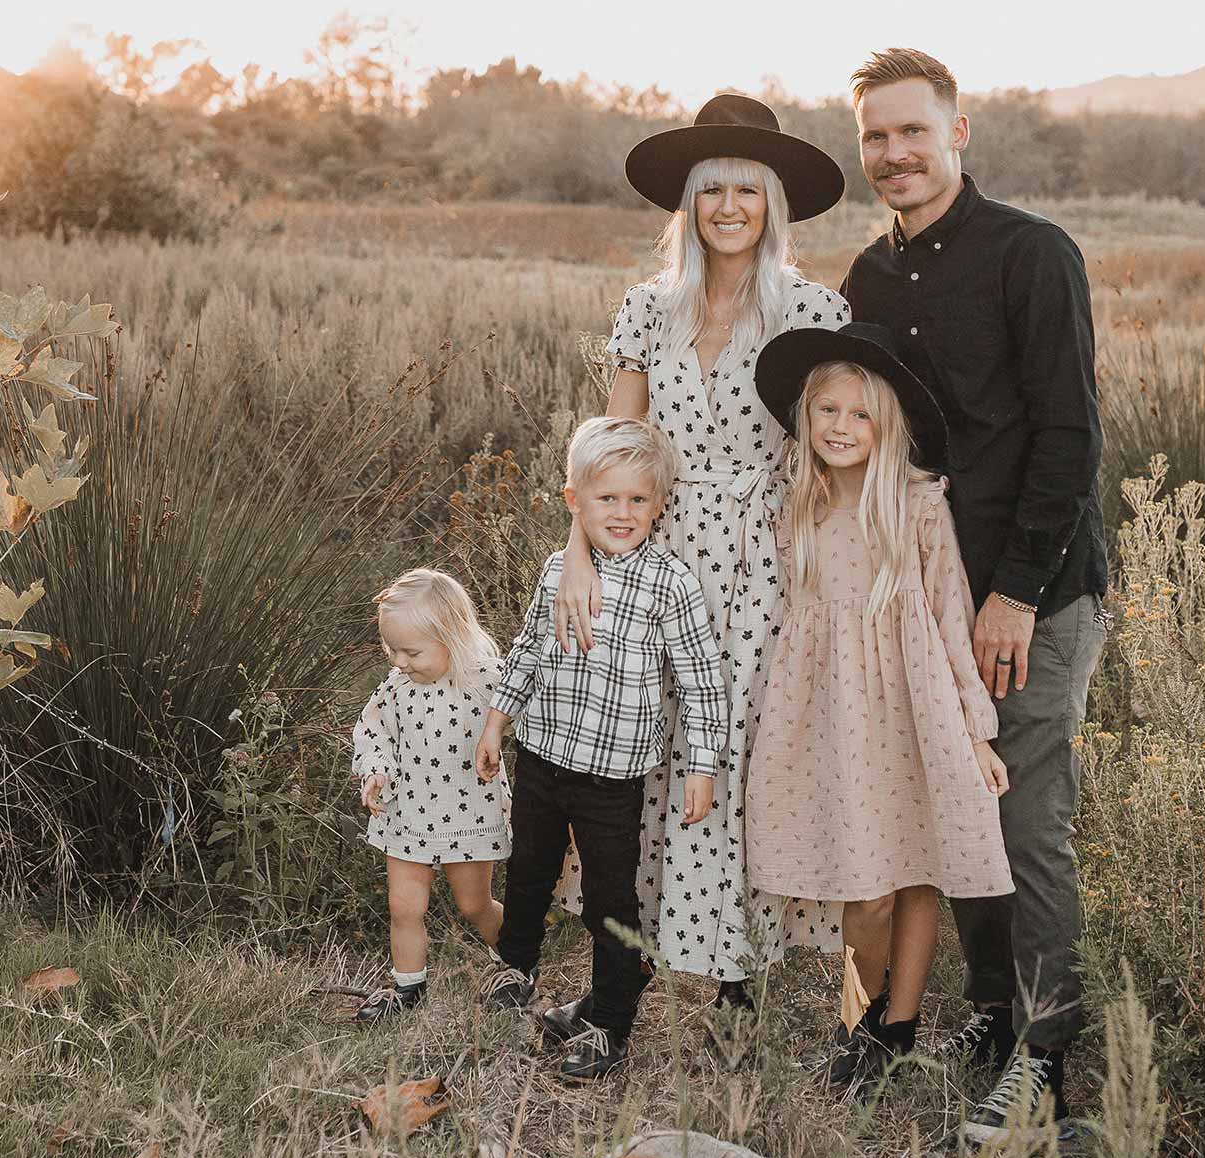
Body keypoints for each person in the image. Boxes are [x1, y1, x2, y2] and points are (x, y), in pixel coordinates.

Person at [838, 48, 1108, 1144]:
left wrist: (1014, 596)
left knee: (1026, 817)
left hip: (1030, 590)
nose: (893, 154)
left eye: (913, 131)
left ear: (959, 132)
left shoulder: (1031, 255)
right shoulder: (866, 278)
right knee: (960, 807)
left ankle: (1045, 1061)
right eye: (875, 138)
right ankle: (992, 1018)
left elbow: (1069, 436)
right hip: (929, 600)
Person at [552, 93, 853, 1010]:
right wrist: (577, 552)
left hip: (767, 558)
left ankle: (735, 975)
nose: (728, 206)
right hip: (659, 549)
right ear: (688, 204)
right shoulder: (648, 308)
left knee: (738, 746)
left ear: (772, 203)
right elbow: (615, 446)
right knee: (644, 746)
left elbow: (839, 449)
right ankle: (630, 960)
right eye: (710, 189)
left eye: (746, 190)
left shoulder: (813, 308)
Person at [741, 322, 1013, 1096]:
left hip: (913, 706)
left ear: (887, 426)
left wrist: (976, 732)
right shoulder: (797, 500)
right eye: (827, 411)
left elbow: (953, 619)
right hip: (831, 711)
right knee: (865, 884)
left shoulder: (919, 505)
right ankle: (855, 1018)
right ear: (806, 417)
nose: (841, 428)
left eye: (860, 415)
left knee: (915, 866)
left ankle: (896, 1028)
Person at [474, 416, 730, 1082]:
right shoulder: (560, 570)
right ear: (574, 502)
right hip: (543, 760)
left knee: (612, 904)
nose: (622, 513)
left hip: (612, 782)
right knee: (527, 874)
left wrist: (702, 765)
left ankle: (611, 1023)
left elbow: (702, 681)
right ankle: (514, 973)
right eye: (607, 498)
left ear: (658, 505)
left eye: (637, 500)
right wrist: (497, 721)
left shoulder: (670, 582)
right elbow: (529, 649)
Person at [349, 569, 511, 1022]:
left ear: (453, 637)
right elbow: (371, 729)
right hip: (408, 813)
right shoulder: (397, 687)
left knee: (473, 904)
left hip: (469, 811)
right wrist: (376, 769)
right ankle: (408, 988)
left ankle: (518, 967)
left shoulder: (486, 679)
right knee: (403, 906)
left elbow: (524, 713)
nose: (398, 661)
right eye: (390, 649)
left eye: (411, 651)